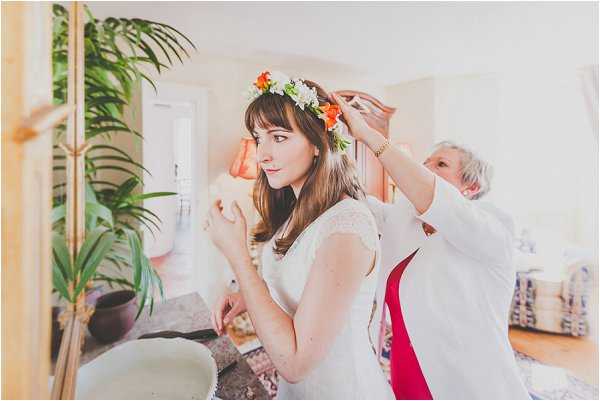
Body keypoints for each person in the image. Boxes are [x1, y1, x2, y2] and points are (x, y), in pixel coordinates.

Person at [204, 71, 394, 399]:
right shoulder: (296, 208)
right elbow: (298, 291)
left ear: (318, 143)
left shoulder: (346, 227)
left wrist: (237, 257)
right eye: (258, 136)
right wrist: (248, 296)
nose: (262, 154)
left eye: (278, 137)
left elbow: (293, 362)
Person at [331, 92, 530, 400]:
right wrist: (328, 146)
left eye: (441, 164)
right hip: (406, 371)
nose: (425, 169)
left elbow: (434, 195)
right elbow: (353, 199)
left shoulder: (492, 228)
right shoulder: (403, 218)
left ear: (471, 187)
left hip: (469, 382)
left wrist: (368, 135)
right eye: (425, 163)